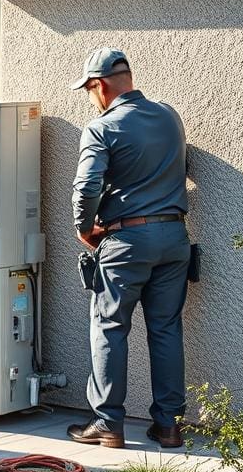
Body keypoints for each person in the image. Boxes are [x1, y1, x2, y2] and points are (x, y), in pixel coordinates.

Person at [65, 47, 189, 450]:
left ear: (99, 86)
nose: (89, 97)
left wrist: (86, 228)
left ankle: (108, 424)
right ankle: (169, 425)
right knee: (166, 329)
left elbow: (86, 186)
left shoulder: (101, 128)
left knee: (110, 328)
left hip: (126, 242)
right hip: (173, 239)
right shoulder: (169, 115)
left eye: (88, 89)